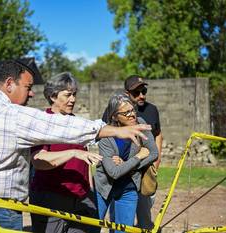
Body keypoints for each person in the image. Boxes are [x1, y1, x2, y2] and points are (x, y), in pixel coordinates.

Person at [0, 59, 151, 231]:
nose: (31, 93)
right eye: (28, 87)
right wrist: (114, 130)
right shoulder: (15, 115)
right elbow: (59, 131)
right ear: (9, 83)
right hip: (3, 208)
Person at [29, 72, 101, 233]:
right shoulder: (41, 122)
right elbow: (39, 161)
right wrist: (73, 152)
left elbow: (86, 160)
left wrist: (90, 189)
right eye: (68, 95)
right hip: (50, 197)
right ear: (53, 96)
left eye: (74, 94)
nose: (73, 99)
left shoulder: (77, 122)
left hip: (82, 198)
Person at [95, 94, 158, 233]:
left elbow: (154, 153)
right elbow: (114, 172)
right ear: (114, 116)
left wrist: (127, 165)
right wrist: (138, 157)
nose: (132, 115)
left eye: (133, 110)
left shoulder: (140, 124)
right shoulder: (106, 135)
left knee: (123, 231)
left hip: (129, 188)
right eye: (126, 112)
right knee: (92, 227)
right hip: (105, 187)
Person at [124, 75, 163, 229]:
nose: (142, 96)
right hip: (124, 171)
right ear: (127, 93)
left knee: (145, 215)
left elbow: (158, 133)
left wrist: (157, 159)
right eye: (136, 93)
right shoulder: (116, 110)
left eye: (144, 91)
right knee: (121, 220)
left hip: (146, 169)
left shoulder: (152, 109)